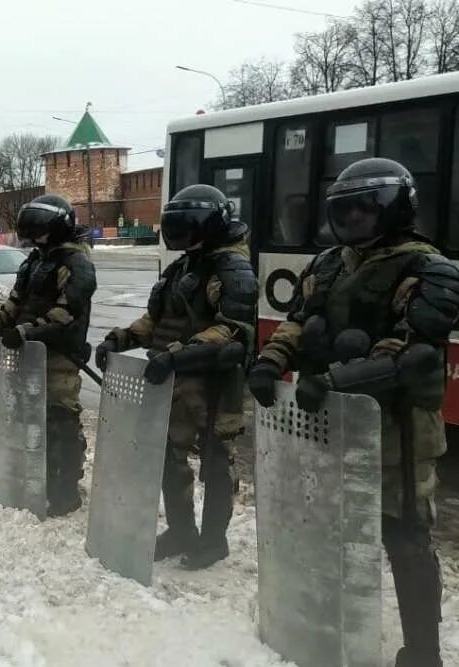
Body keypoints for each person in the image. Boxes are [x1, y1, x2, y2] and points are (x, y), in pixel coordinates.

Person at [249, 158, 455, 667]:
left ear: (393, 210)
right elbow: (301, 323)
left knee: (404, 536)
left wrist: (339, 379)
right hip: (329, 424)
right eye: (347, 214)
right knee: (326, 526)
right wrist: (271, 361)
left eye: (365, 213)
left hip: (398, 429)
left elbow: (413, 351)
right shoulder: (327, 264)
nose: (355, 223)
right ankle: (324, 622)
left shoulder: (428, 269)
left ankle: (423, 650)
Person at [96, 184, 257, 569]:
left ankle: (214, 540)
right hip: (174, 382)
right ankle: (182, 528)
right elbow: (158, 320)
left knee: (217, 463)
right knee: (169, 457)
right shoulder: (184, 265)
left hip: (213, 385)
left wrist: (175, 356)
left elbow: (231, 329)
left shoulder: (231, 268)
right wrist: (120, 338)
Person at [0, 195, 97, 515]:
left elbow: (67, 312)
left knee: (60, 421)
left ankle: (66, 488)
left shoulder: (75, 264)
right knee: (29, 418)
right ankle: (37, 477)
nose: (35, 238)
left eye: (40, 231)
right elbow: (15, 303)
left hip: (59, 356)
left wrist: (27, 331)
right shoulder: (34, 261)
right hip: (28, 354)